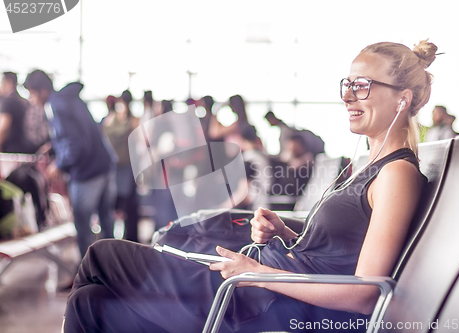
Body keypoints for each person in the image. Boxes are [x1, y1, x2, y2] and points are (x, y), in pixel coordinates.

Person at [63, 39, 436, 332]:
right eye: (348, 83)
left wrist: (255, 273)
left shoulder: (396, 175)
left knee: (102, 254)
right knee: (89, 304)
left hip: (261, 305)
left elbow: (365, 293)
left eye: (363, 85)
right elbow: (338, 252)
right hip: (257, 287)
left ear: (402, 99)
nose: (348, 95)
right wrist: (285, 232)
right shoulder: (367, 166)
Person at [23, 70, 117, 259]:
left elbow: (76, 144)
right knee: (107, 224)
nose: (32, 100)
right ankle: (112, 272)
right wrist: (53, 147)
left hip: (87, 173)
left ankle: (87, 275)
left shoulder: (56, 105)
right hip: (104, 166)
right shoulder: (71, 99)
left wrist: (59, 165)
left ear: (42, 91)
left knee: (83, 226)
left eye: (32, 94)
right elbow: (79, 134)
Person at [102, 91, 140, 242]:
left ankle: (113, 238)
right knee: (128, 205)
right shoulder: (132, 121)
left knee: (115, 206)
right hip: (128, 167)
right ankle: (128, 238)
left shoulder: (108, 121)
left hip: (115, 167)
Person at [0, 72, 30, 153]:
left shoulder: (7, 102)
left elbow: (4, 127)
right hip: (22, 148)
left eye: (1, 83)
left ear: (9, 83)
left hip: (9, 150)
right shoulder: (22, 101)